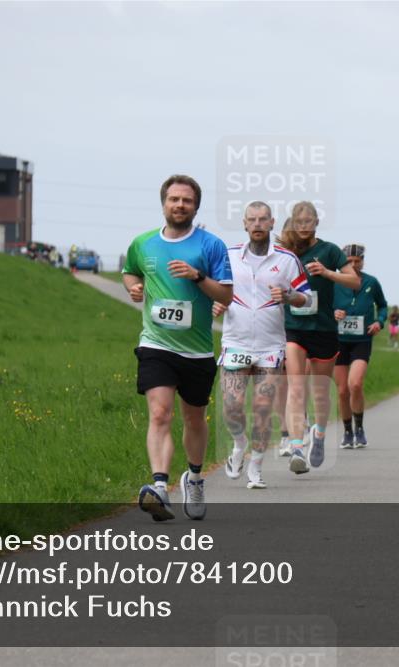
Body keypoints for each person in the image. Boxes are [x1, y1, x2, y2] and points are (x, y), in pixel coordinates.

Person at [122, 174, 233, 521]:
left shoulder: (211, 246)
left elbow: (226, 295)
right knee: (159, 413)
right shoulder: (143, 243)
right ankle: (158, 485)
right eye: (174, 199)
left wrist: (198, 277)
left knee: (194, 418)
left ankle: (195, 477)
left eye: (186, 200)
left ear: (195, 206)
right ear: (164, 203)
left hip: (197, 350)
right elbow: (130, 270)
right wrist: (134, 287)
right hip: (156, 344)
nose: (180, 205)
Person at [214, 202, 309, 489]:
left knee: (264, 408)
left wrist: (289, 295)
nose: (257, 224)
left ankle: (255, 469)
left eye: (263, 219)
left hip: (270, 346)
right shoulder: (228, 256)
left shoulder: (288, 259)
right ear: (244, 224)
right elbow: (213, 288)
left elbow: (308, 298)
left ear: (272, 223)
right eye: (252, 219)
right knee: (231, 407)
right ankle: (239, 443)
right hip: (236, 341)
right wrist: (215, 302)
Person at [280, 201, 360, 473]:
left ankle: (320, 435)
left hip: (324, 329)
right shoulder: (286, 250)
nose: (303, 226)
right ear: (293, 222)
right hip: (294, 327)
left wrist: (327, 273)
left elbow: (354, 281)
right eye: (298, 221)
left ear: (316, 222)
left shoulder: (329, 250)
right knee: (296, 386)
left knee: (320, 393)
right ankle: (296, 447)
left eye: (308, 221)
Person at [333, 244, 386, 449]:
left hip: (362, 340)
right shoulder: (335, 282)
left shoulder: (371, 282)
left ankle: (360, 428)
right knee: (342, 390)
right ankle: (347, 432)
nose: (354, 265)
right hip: (338, 341)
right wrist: (334, 313)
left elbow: (382, 305)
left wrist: (379, 322)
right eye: (350, 262)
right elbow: (324, 306)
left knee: (355, 384)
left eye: (358, 261)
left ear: (363, 261)